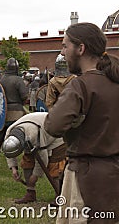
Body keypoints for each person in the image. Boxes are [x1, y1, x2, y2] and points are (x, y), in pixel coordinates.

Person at [44, 22, 119, 223]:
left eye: (65, 46)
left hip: (86, 177)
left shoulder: (81, 85)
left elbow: (53, 126)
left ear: (81, 48)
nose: (63, 52)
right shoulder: (115, 81)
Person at [2, 112, 66, 204]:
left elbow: (43, 158)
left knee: (54, 167)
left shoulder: (34, 134)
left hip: (56, 135)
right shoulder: (10, 133)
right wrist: (13, 168)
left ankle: (60, 196)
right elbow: (8, 152)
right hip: (37, 134)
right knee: (27, 162)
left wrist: (35, 175)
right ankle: (30, 193)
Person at [0, 58, 28, 157]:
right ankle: (19, 151)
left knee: (0, 130)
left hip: (2, 110)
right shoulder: (18, 80)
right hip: (16, 110)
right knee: (18, 130)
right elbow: (24, 96)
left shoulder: (1, 78)